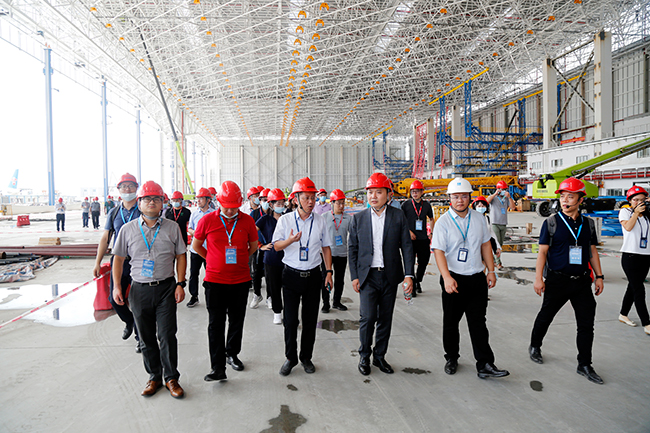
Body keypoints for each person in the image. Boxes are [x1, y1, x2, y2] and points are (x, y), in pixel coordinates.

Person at [112, 180, 187, 398]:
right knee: (145, 337)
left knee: (167, 335)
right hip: (139, 290)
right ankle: (154, 377)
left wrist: (181, 283)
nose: (151, 202)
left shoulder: (172, 227)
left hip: (166, 288)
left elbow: (181, 255)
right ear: (140, 203)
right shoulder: (127, 229)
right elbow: (118, 259)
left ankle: (171, 378)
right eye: (147, 199)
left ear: (163, 203)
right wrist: (117, 287)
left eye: (156, 199)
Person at [529, 177, 605, 385]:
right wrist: (538, 278)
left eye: (570, 197)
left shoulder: (588, 224)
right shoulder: (551, 223)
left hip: (582, 282)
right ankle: (535, 345)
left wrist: (599, 276)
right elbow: (542, 252)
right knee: (546, 316)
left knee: (586, 324)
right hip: (557, 280)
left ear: (580, 199)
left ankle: (584, 364)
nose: (565, 200)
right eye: (562, 196)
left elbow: (592, 252)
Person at [432, 177, 509, 379]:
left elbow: (485, 244)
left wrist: (490, 270)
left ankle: (485, 364)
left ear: (470, 197)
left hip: (476, 278)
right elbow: (438, 251)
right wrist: (446, 277)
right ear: (449, 198)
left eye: (464, 196)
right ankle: (451, 357)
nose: (460, 200)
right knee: (451, 322)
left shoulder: (479, 219)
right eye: (456, 196)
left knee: (478, 323)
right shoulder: (443, 223)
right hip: (454, 279)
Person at [349, 173, 414, 376]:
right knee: (368, 318)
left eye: (378, 192)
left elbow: (406, 246)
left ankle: (379, 356)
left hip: (389, 276)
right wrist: (354, 276)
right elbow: (353, 249)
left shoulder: (398, 216)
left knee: (385, 318)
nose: (373, 196)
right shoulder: (358, 219)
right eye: (370, 192)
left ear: (388, 194)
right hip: (367, 276)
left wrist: (409, 274)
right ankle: (364, 355)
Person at [192, 181, 258, 382]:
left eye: (234, 207)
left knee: (237, 321)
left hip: (240, 281)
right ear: (218, 202)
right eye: (226, 207)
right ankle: (217, 367)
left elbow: (253, 246)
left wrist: (240, 260)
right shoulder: (207, 220)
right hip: (215, 282)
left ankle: (232, 354)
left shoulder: (247, 221)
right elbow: (197, 245)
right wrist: (213, 259)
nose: (230, 211)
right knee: (216, 324)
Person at [272, 177, 334, 376]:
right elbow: (276, 246)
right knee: (290, 321)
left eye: (313, 197)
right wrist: (289, 240)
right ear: (296, 199)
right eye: (306, 197)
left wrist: (329, 272)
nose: (311, 201)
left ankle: (306, 357)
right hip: (291, 275)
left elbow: (326, 247)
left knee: (310, 320)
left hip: (313, 276)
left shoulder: (320, 220)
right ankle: (290, 358)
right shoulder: (285, 220)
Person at [93, 173, 141, 350]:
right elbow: (106, 238)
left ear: (136, 188)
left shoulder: (142, 209)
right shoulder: (114, 212)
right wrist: (97, 262)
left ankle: (140, 338)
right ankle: (129, 321)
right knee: (115, 299)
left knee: (138, 301)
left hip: (138, 261)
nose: (127, 189)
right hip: (119, 261)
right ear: (119, 189)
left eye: (131, 186)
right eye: (124, 186)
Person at [618, 185, 650, 335]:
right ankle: (647, 323)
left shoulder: (647, 215)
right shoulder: (626, 212)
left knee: (632, 287)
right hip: (630, 256)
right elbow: (628, 227)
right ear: (630, 201)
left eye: (642, 200)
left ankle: (623, 314)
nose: (639, 202)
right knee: (639, 289)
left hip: (646, 256)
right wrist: (636, 213)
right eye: (635, 200)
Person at [256, 188, 286, 324]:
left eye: (282, 203)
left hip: (288, 258)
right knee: (274, 287)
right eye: (278, 203)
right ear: (271, 205)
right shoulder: (265, 219)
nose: (281, 206)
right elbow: (251, 232)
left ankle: (288, 311)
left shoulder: (288, 217)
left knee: (288, 287)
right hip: (271, 258)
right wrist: (260, 245)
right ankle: (277, 312)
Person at [401, 180, 433, 297]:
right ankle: (412, 286)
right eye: (413, 191)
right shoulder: (405, 205)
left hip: (423, 238)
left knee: (423, 261)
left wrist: (431, 233)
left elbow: (431, 218)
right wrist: (408, 232)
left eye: (417, 191)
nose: (415, 193)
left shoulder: (427, 205)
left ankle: (417, 280)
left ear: (422, 192)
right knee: (410, 262)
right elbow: (401, 221)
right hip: (409, 240)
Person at [186, 188, 214, 308]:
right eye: (197, 198)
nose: (198, 201)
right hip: (195, 250)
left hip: (209, 250)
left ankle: (212, 296)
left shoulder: (214, 214)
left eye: (201, 198)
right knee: (193, 274)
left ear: (208, 200)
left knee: (211, 274)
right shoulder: (194, 214)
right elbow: (189, 228)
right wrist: (196, 233)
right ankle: (194, 296)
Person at [324, 189, 352, 311]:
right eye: (338, 203)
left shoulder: (348, 218)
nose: (341, 206)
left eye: (343, 203)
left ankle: (336, 301)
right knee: (325, 279)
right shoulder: (324, 217)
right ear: (332, 203)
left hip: (342, 254)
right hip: (327, 254)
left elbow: (354, 235)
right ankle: (325, 303)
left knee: (339, 280)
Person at [486, 180, 515, 269]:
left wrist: (509, 197)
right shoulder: (494, 198)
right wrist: (495, 194)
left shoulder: (506, 199)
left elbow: (513, 207)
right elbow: (486, 202)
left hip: (503, 223)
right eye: (502, 189)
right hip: (494, 223)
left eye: (505, 189)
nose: (503, 191)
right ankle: (498, 263)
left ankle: (494, 261)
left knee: (500, 244)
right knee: (496, 243)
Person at [249, 188, 270, 309]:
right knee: (256, 273)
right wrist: (259, 245)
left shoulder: (273, 214)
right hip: (258, 248)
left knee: (269, 274)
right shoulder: (255, 214)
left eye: (268, 200)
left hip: (271, 248)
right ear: (260, 201)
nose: (265, 202)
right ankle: (257, 295)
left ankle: (269, 297)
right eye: (263, 200)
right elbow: (250, 232)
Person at [471, 196, 502, 267]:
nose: (481, 208)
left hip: (485, 247)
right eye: (479, 206)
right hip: (474, 248)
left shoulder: (487, 219)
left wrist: (497, 247)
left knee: (484, 266)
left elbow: (491, 233)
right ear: (475, 207)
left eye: (483, 206)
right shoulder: (471, 219)